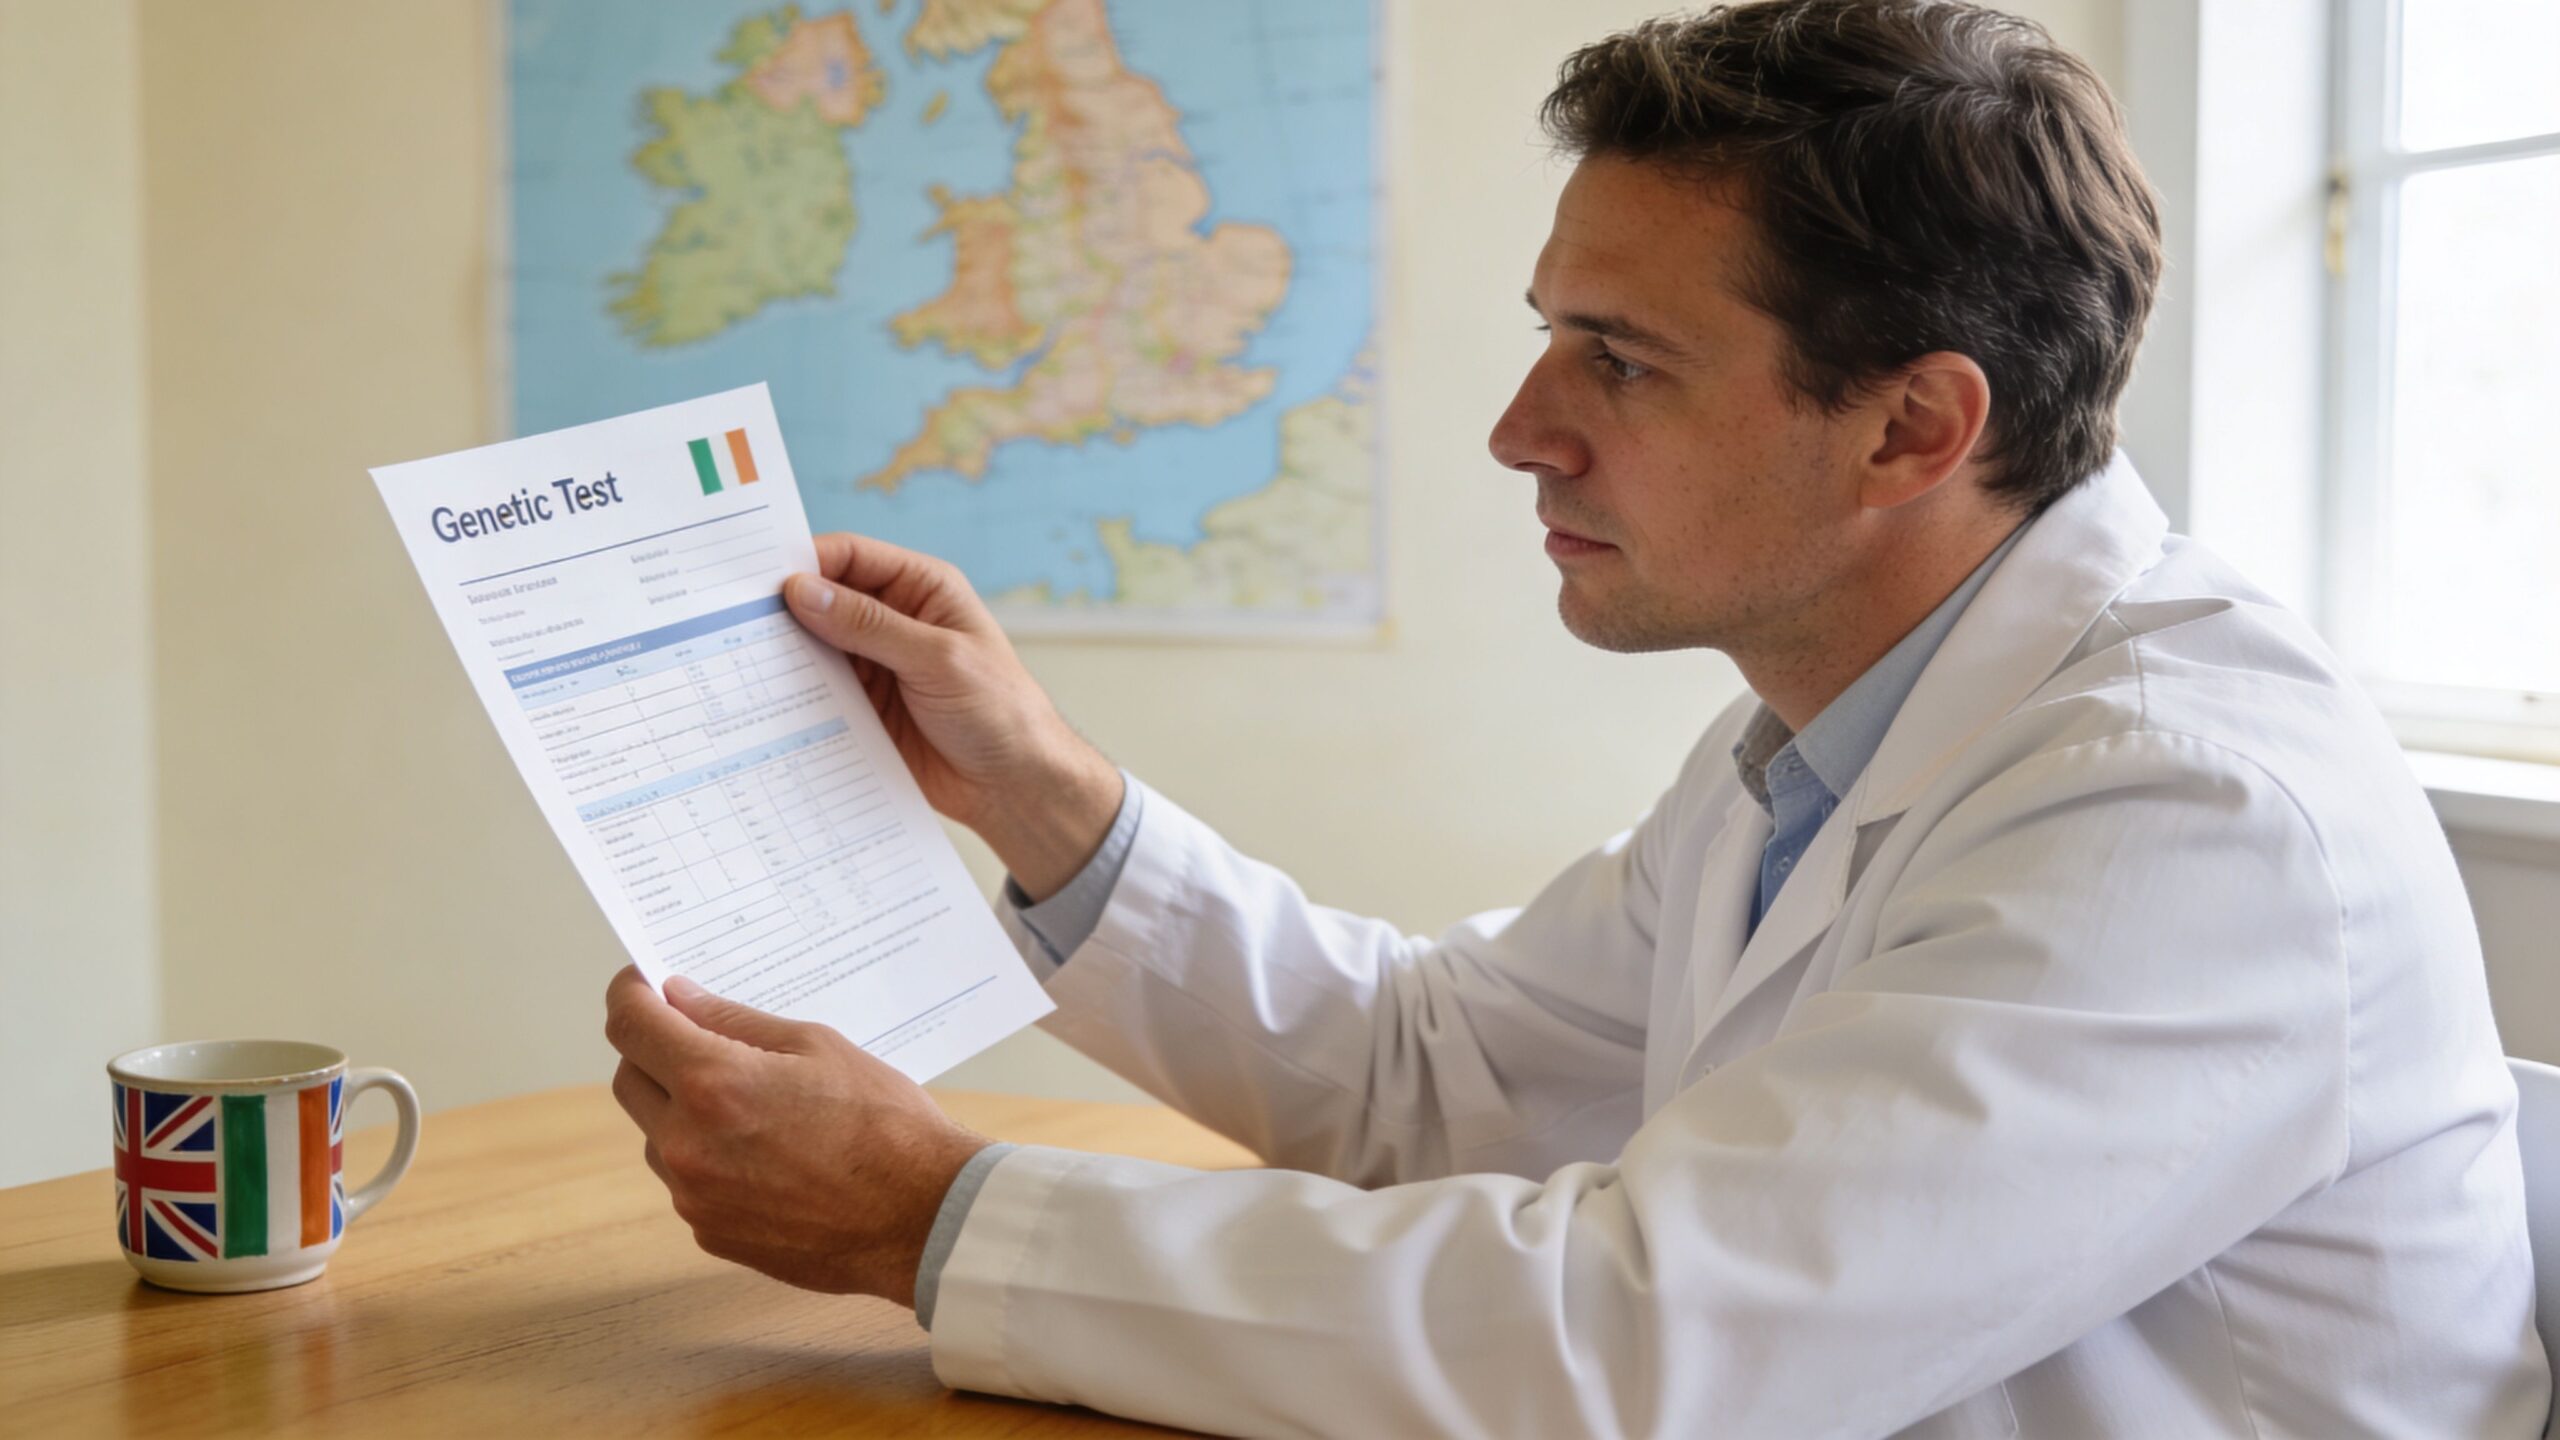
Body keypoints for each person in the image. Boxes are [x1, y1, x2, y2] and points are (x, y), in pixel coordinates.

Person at [601, 1, 2553, 1433]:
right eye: (1547, 332)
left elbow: (1644, 1347)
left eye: (1616, 358)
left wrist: (935, 1215)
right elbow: (1429, 1068)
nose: (1520, 429)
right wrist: (1041, 798)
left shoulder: (2183, 813)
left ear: (1911, 427)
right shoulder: (1824, 742)